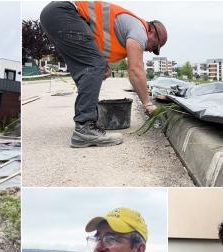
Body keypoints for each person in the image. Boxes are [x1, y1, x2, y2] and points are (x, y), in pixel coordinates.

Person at [40, 1, 167, 148]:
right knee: (94, 66)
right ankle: (85, 129)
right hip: (64, 12)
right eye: (154, 45)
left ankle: (86, 124)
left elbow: (92, 39)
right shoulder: (140, 30)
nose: (151, 50)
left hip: (55, 15)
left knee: (91, 68)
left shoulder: (129, 27)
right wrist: (148, 103)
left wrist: (102, 64)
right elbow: (135, 69)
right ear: (151, 32)